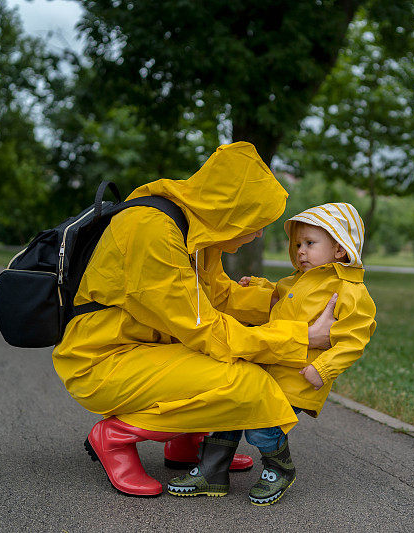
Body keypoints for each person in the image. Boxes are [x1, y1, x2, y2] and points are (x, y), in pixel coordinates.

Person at [52, 142, 337, 499]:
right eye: (257, 222)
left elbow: (218, 297)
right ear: (233, 210)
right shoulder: (152, 230)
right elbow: (204, 328)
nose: (260, 234)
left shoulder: (196, 228)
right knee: (246, 382)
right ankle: (113, 437)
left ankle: (189, 445)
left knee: (237, 361)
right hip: (102, 360)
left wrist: (287, 301)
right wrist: (301, 339)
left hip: (144, 349)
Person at [183, 202, 377, 506]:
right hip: (270, 368)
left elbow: (354, 340)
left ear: (340, 248)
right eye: (298, 244)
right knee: (231, 407)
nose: (300, 250)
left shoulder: (350, 291)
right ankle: (212, 471)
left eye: (310, 244)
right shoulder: (297, 279)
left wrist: (323, 369)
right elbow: (281, 292)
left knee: (263, 427)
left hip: (298, 377)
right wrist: (258, 285)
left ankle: (279, 468)